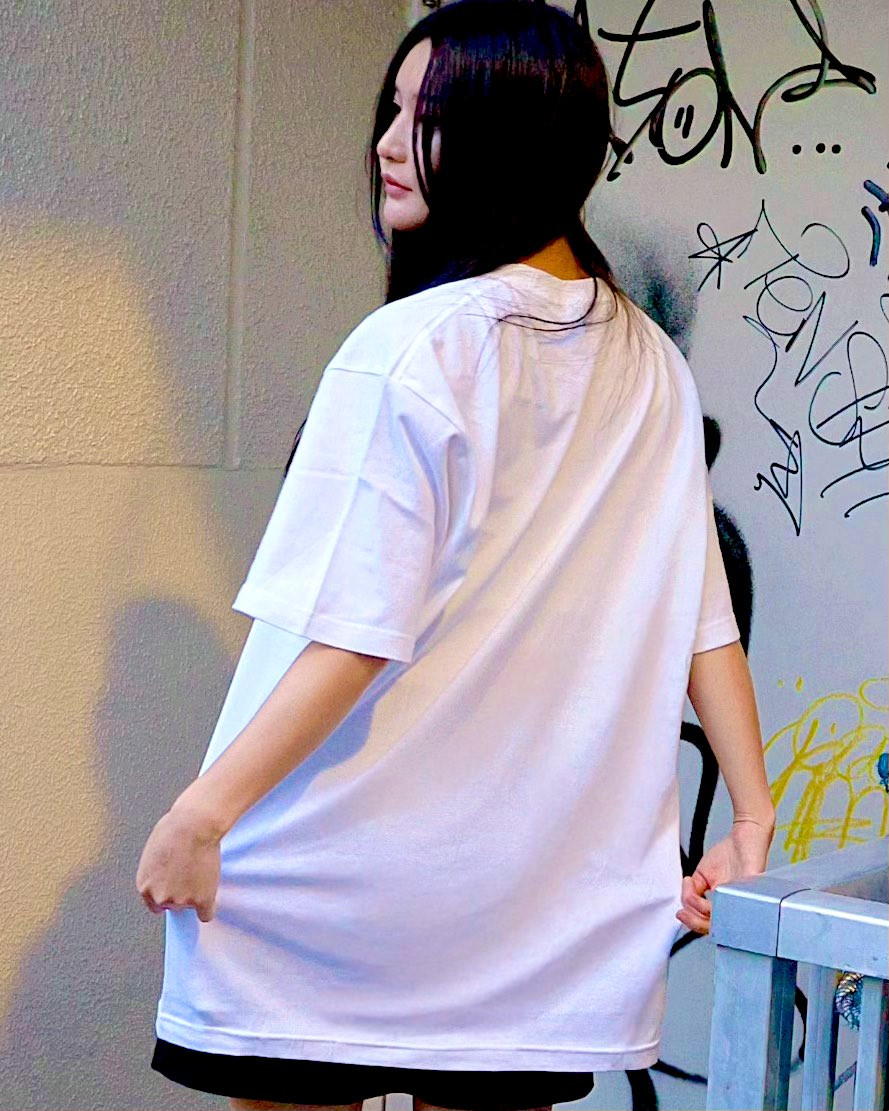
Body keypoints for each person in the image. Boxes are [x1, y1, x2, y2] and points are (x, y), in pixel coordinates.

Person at [136, 2, 777, 1110]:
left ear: (512, 138)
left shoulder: (412, 346)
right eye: (391, 110)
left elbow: (354, 631)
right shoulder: (651, 364)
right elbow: (701, 623)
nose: (389, 144)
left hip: (337, 887)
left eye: (427, 116)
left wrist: (201, 813)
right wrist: (751, 820)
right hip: (535, 920)